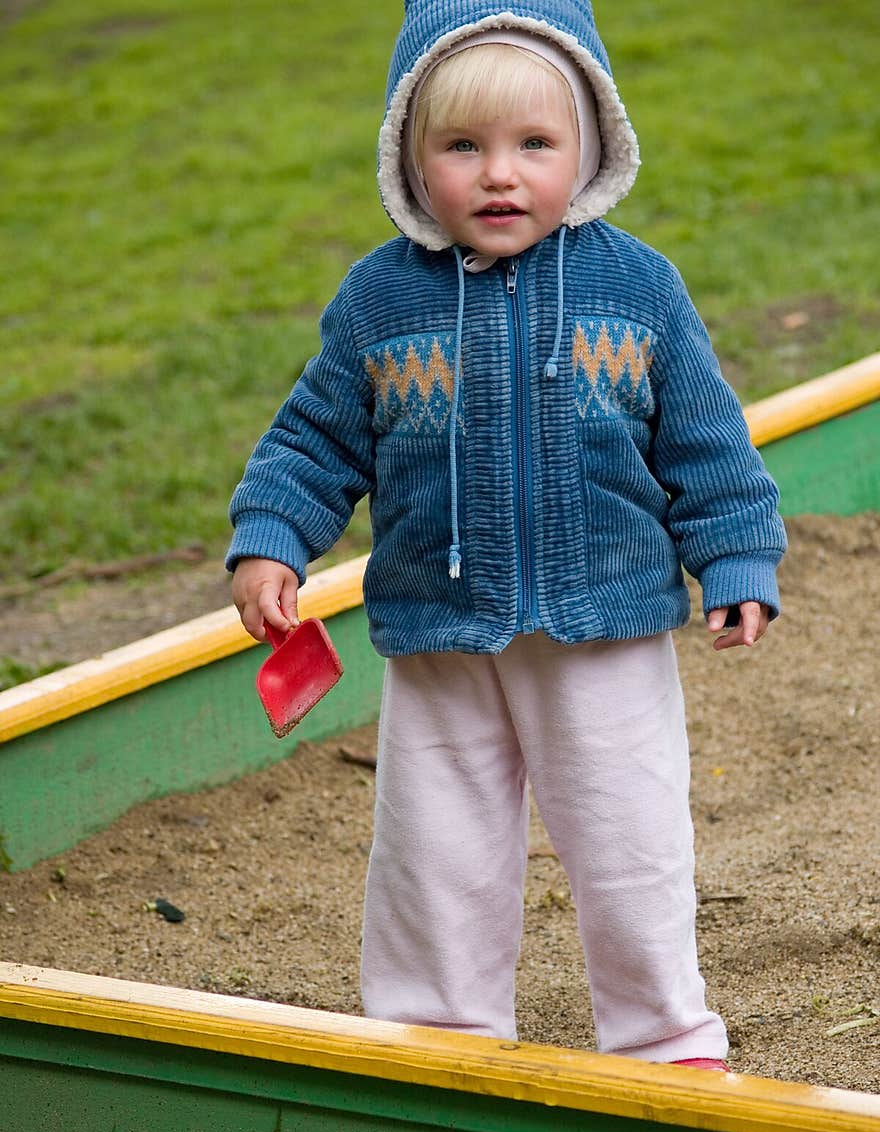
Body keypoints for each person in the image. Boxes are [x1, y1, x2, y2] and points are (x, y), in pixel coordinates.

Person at [226, 0, 787, 1070]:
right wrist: (271, 538)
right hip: (441, 636)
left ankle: (666, 1036)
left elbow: (709, 446)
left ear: (589, 147)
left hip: (605, 630)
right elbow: (311, 439)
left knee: (630, 844)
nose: (499, 175)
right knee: (434, 852)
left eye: (534, 145)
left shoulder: (638, 289)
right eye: (462, 147)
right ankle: (436, 1033)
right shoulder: (379, 300)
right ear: (409, 156)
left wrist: (736, 560)